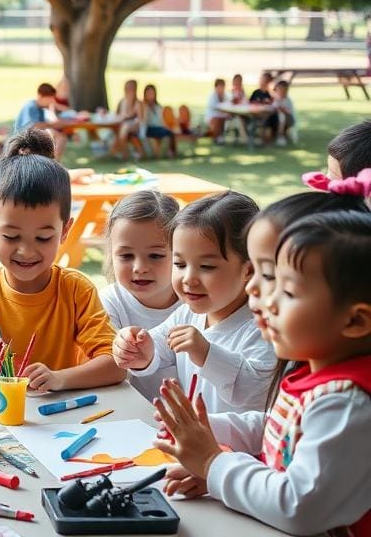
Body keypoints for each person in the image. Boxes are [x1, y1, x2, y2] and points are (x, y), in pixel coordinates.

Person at [153, 212, 371, 536]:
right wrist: (211, 434)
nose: (257, 295)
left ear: (354, 322)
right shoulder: (317, 376)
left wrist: (215, 465)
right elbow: (278, 431)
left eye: (285, 289)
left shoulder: (348, 402)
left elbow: (299, 507)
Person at [0, 128, 126, 392]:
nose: (26, 251)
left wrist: (60, 379)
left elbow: (116, 364)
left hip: (66, 420)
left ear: (65, 230)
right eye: (11, 236)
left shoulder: (75, 290)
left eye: (43, 238)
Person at [113, 191, 276, 413]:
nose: (188, 278)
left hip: (242, 447)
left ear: (248, 269)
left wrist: (206, 353)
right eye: (180, 264)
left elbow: (257, 394)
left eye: (206, 267)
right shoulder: (189, 314)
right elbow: (158, 347)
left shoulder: (264, 327)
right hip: (197, 443)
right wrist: (139, 349)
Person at [244, 191, 368, 409]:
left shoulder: (341, 403)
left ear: (355, 321)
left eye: (268, 275)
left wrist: (206, 445)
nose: (250, 287)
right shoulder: (310, 363)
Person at [100, 190, 182, 400]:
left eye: (155, 255)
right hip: (135, 419)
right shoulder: (109, 301)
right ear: (111, 254)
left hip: (199, 421)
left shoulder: (195, 300)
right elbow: (108, 368)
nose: (140, 267)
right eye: (126, 255)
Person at [13, 82, 67, 160]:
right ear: (41, 96)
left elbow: (43, 126)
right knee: (57, 137)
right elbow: (35, 126)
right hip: (23, 140)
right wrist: (54, 125)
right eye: (50, 99)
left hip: (32, 137)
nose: (51, 102)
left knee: (60, 136)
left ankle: (54, 161)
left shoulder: (40, 108)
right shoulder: (31, 106)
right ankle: (52, 162)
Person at [139, 83, 176, 158]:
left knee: (169, 132)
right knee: (167, 133)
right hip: (148, 129)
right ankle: (169, 151)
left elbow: (162, 120)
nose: (150, 95)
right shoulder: (143, 106)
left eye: (152, 93)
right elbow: (144, 121)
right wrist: (146, 108)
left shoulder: (158, 107)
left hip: (158, 128)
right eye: (149, 93)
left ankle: (171, 151)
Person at [113, 79, 144, 159]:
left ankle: (124, 154)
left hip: (133, 125)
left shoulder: (137, 102)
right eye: (127, 88)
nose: (129, 90)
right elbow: (117, 115)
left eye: (131, 88)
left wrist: (128, 116)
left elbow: (140, 119)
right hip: (122, 123)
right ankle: (119, 152)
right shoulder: (122, 101)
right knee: (120, 129)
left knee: (124, 128)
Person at [267, 79, 296, 146]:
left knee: (281, 116)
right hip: (276, 119)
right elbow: (272, 108)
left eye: (282, 90)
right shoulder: (276, 99)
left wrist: (281, 109)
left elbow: (289, 112)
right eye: (279, 90)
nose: (280, 92)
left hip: (288, 119)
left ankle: (280, 136)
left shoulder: (288, 100)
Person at [205, 78, 231, 144]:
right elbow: (215, 108)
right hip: (212, 117)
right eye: (220, 86)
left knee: (222, 118)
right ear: (216, 87)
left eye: (223, 86)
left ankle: (219, 137)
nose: (221, 88)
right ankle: (217, 137)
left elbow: (229, 105)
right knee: (218, 119)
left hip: (221, 117)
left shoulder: (226, 95)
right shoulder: (212, 96)